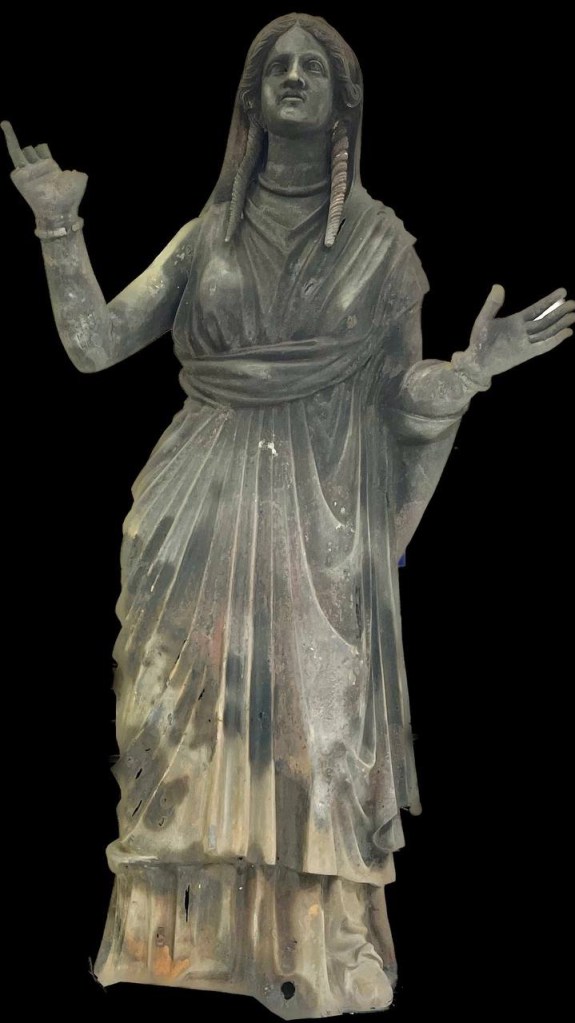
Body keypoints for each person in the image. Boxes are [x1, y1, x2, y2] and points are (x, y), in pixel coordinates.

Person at [2, 13, 572, 1021]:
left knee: (316, 729)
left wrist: (471, 372)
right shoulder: (205, 236)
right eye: (277, 66)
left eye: (314, 66)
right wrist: (58, 223)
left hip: (322, 515)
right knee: (176, 715)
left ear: (344, 100)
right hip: (198, 502)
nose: (295, 76)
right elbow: (93, 344)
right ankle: (175, 942)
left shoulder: (380, 246)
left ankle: (315, 949)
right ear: (252, 97)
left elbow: (399, 396)